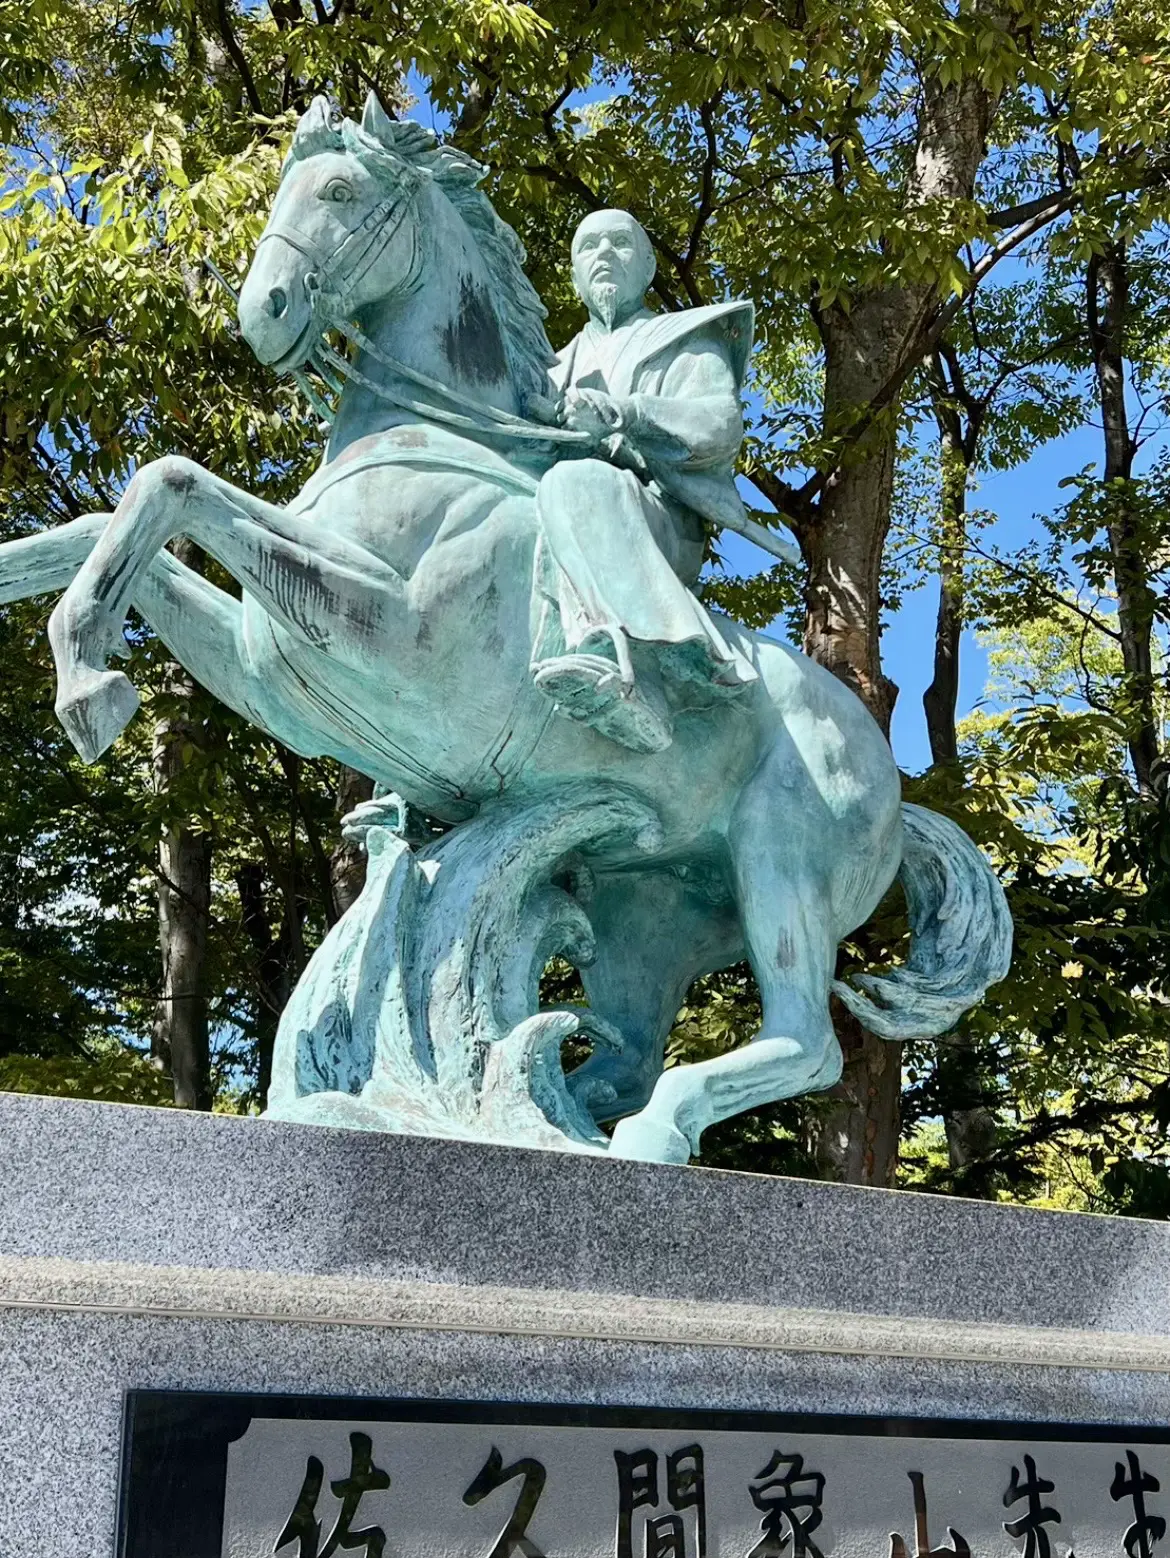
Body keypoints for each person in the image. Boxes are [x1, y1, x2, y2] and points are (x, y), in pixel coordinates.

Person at [529, 208, 759, 753]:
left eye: (619, 243)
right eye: (588, 247)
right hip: (556, 522)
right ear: (574, 274)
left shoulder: (685, 342)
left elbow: (719, 425)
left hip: (654, 525)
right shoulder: (551, 368)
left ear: (651, 266)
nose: (603, 254)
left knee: (576, 482)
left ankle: (640, 674)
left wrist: (622, 413)